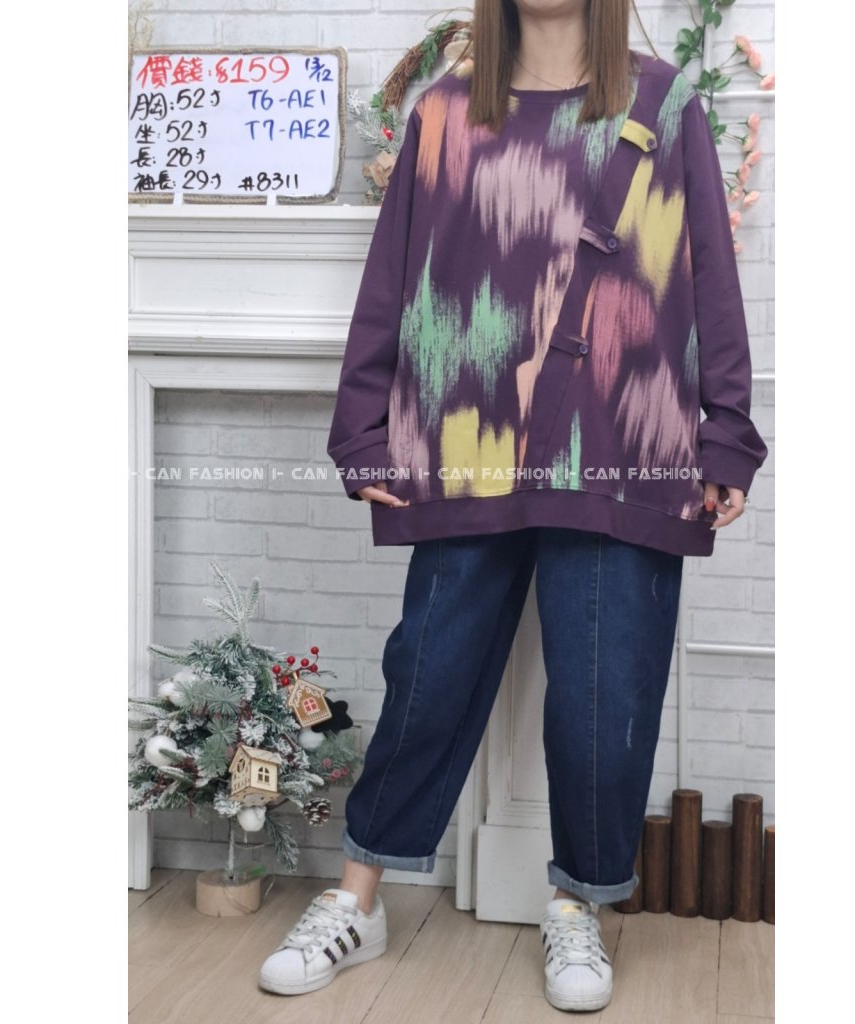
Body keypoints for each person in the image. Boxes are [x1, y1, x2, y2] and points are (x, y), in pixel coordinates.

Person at [259, 0, 768, 1012]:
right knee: (428, 670)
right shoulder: (443, 112)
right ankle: (358, 897)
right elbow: (392, 279)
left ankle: (576, 907)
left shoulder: (664, 106)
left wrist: (726, 434)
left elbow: (708, 270)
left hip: (624, 438)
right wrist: (360, 429)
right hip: (469, 436)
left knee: (602, 693)